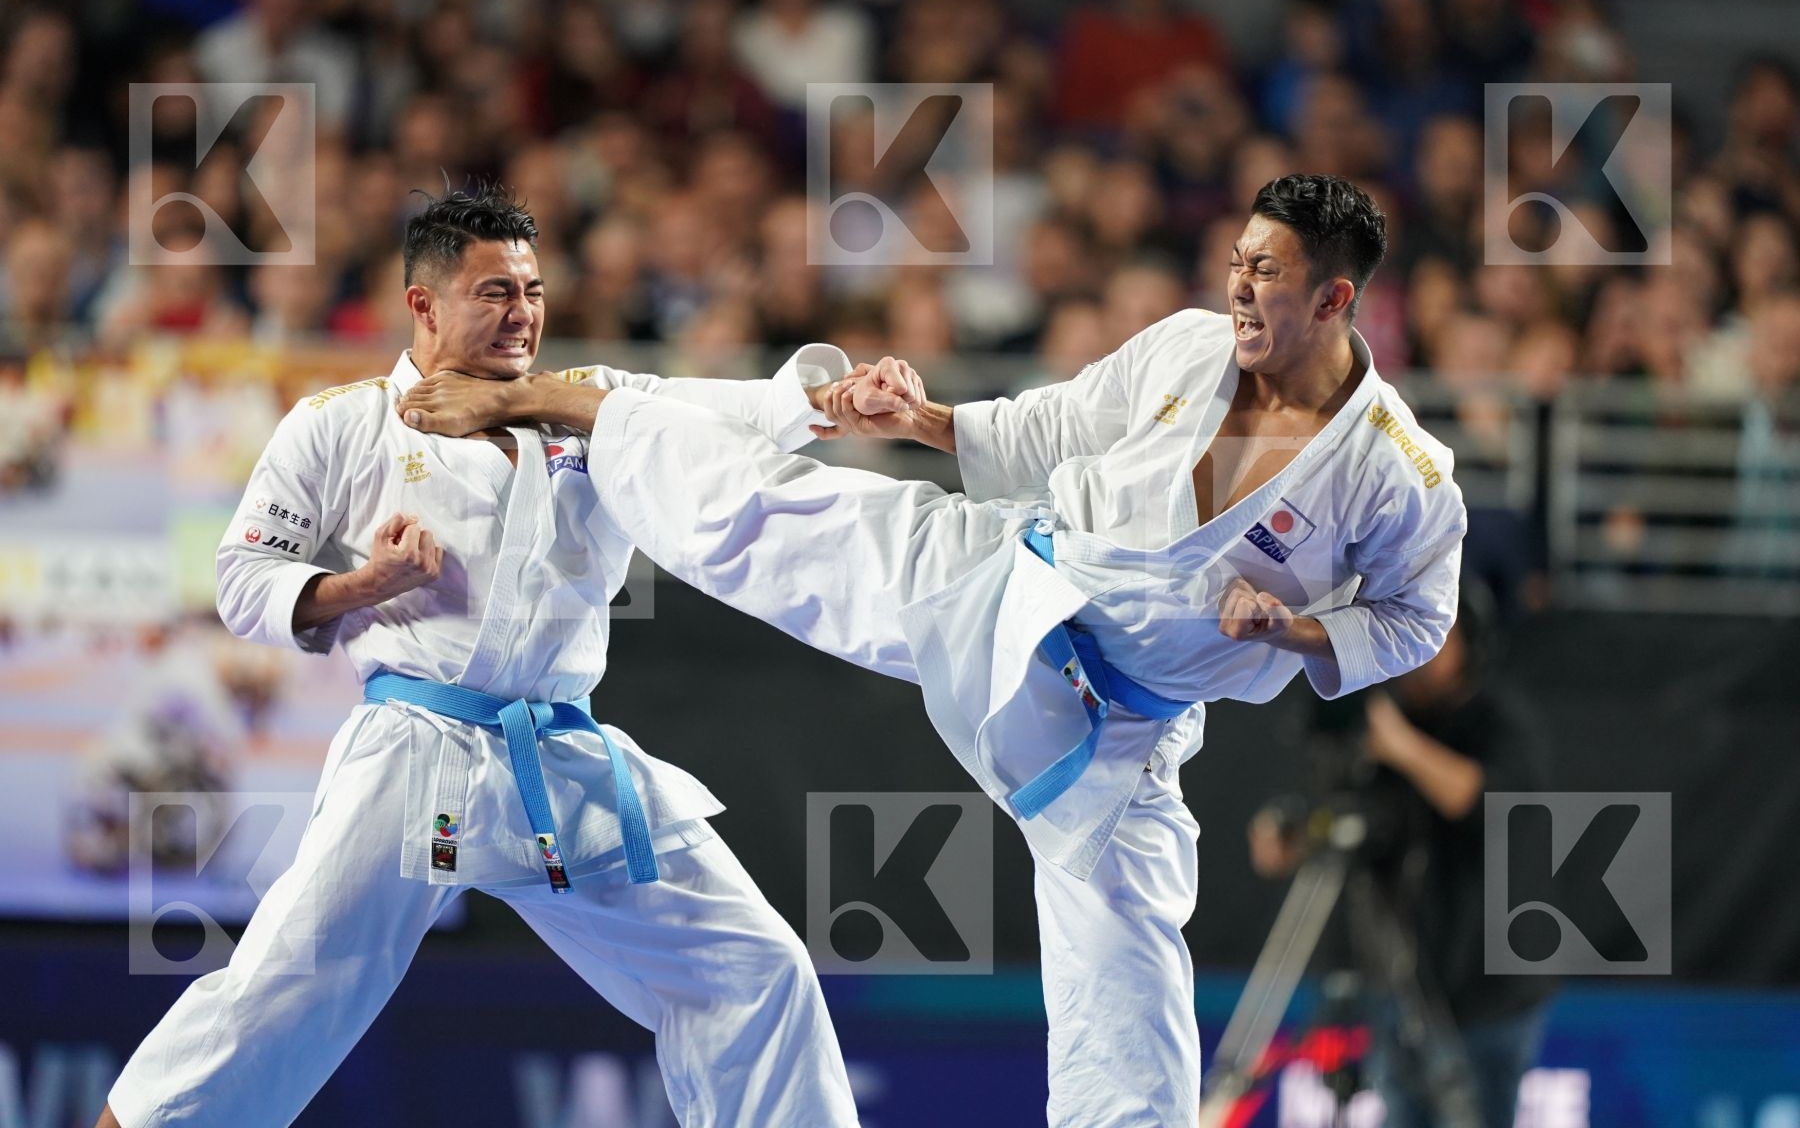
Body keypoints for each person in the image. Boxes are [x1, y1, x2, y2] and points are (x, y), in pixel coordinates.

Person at [400, 173, 1469, 1126]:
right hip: (1009, 584)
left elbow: (1418, 618)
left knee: (1129, 1000)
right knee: (772, 519)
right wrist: (928, 424)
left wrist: (1292, 628)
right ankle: (562, 404)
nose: (1238, 287)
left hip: (1122, 735)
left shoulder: (1399, 472)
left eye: (1267, 272)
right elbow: (1057, 430)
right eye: (1237, 260)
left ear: (1334, 299)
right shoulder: (1193, 344)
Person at [96, 188, 864, 1128]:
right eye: (495, 292)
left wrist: (829, 399)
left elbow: (730, 414)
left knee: (754, 969)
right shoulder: (342, 423)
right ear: (422, 305)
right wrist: (362, 586)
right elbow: (242, 579)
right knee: (287, 990)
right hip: (418, 750)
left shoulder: (586, 407)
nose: (523, 314)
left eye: (533, 291)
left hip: (565, 757)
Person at [1248, 586, 1558, 1127]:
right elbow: (1358, 821)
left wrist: (1401, 746)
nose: (1423, 652)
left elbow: (1481, 798)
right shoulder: (1378, 714)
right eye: (1414, 636)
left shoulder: (1499, 721)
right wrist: (1294, 835)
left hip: (1490, 992)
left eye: (1439, 637)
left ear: (1470, 642)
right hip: (1398, 983)